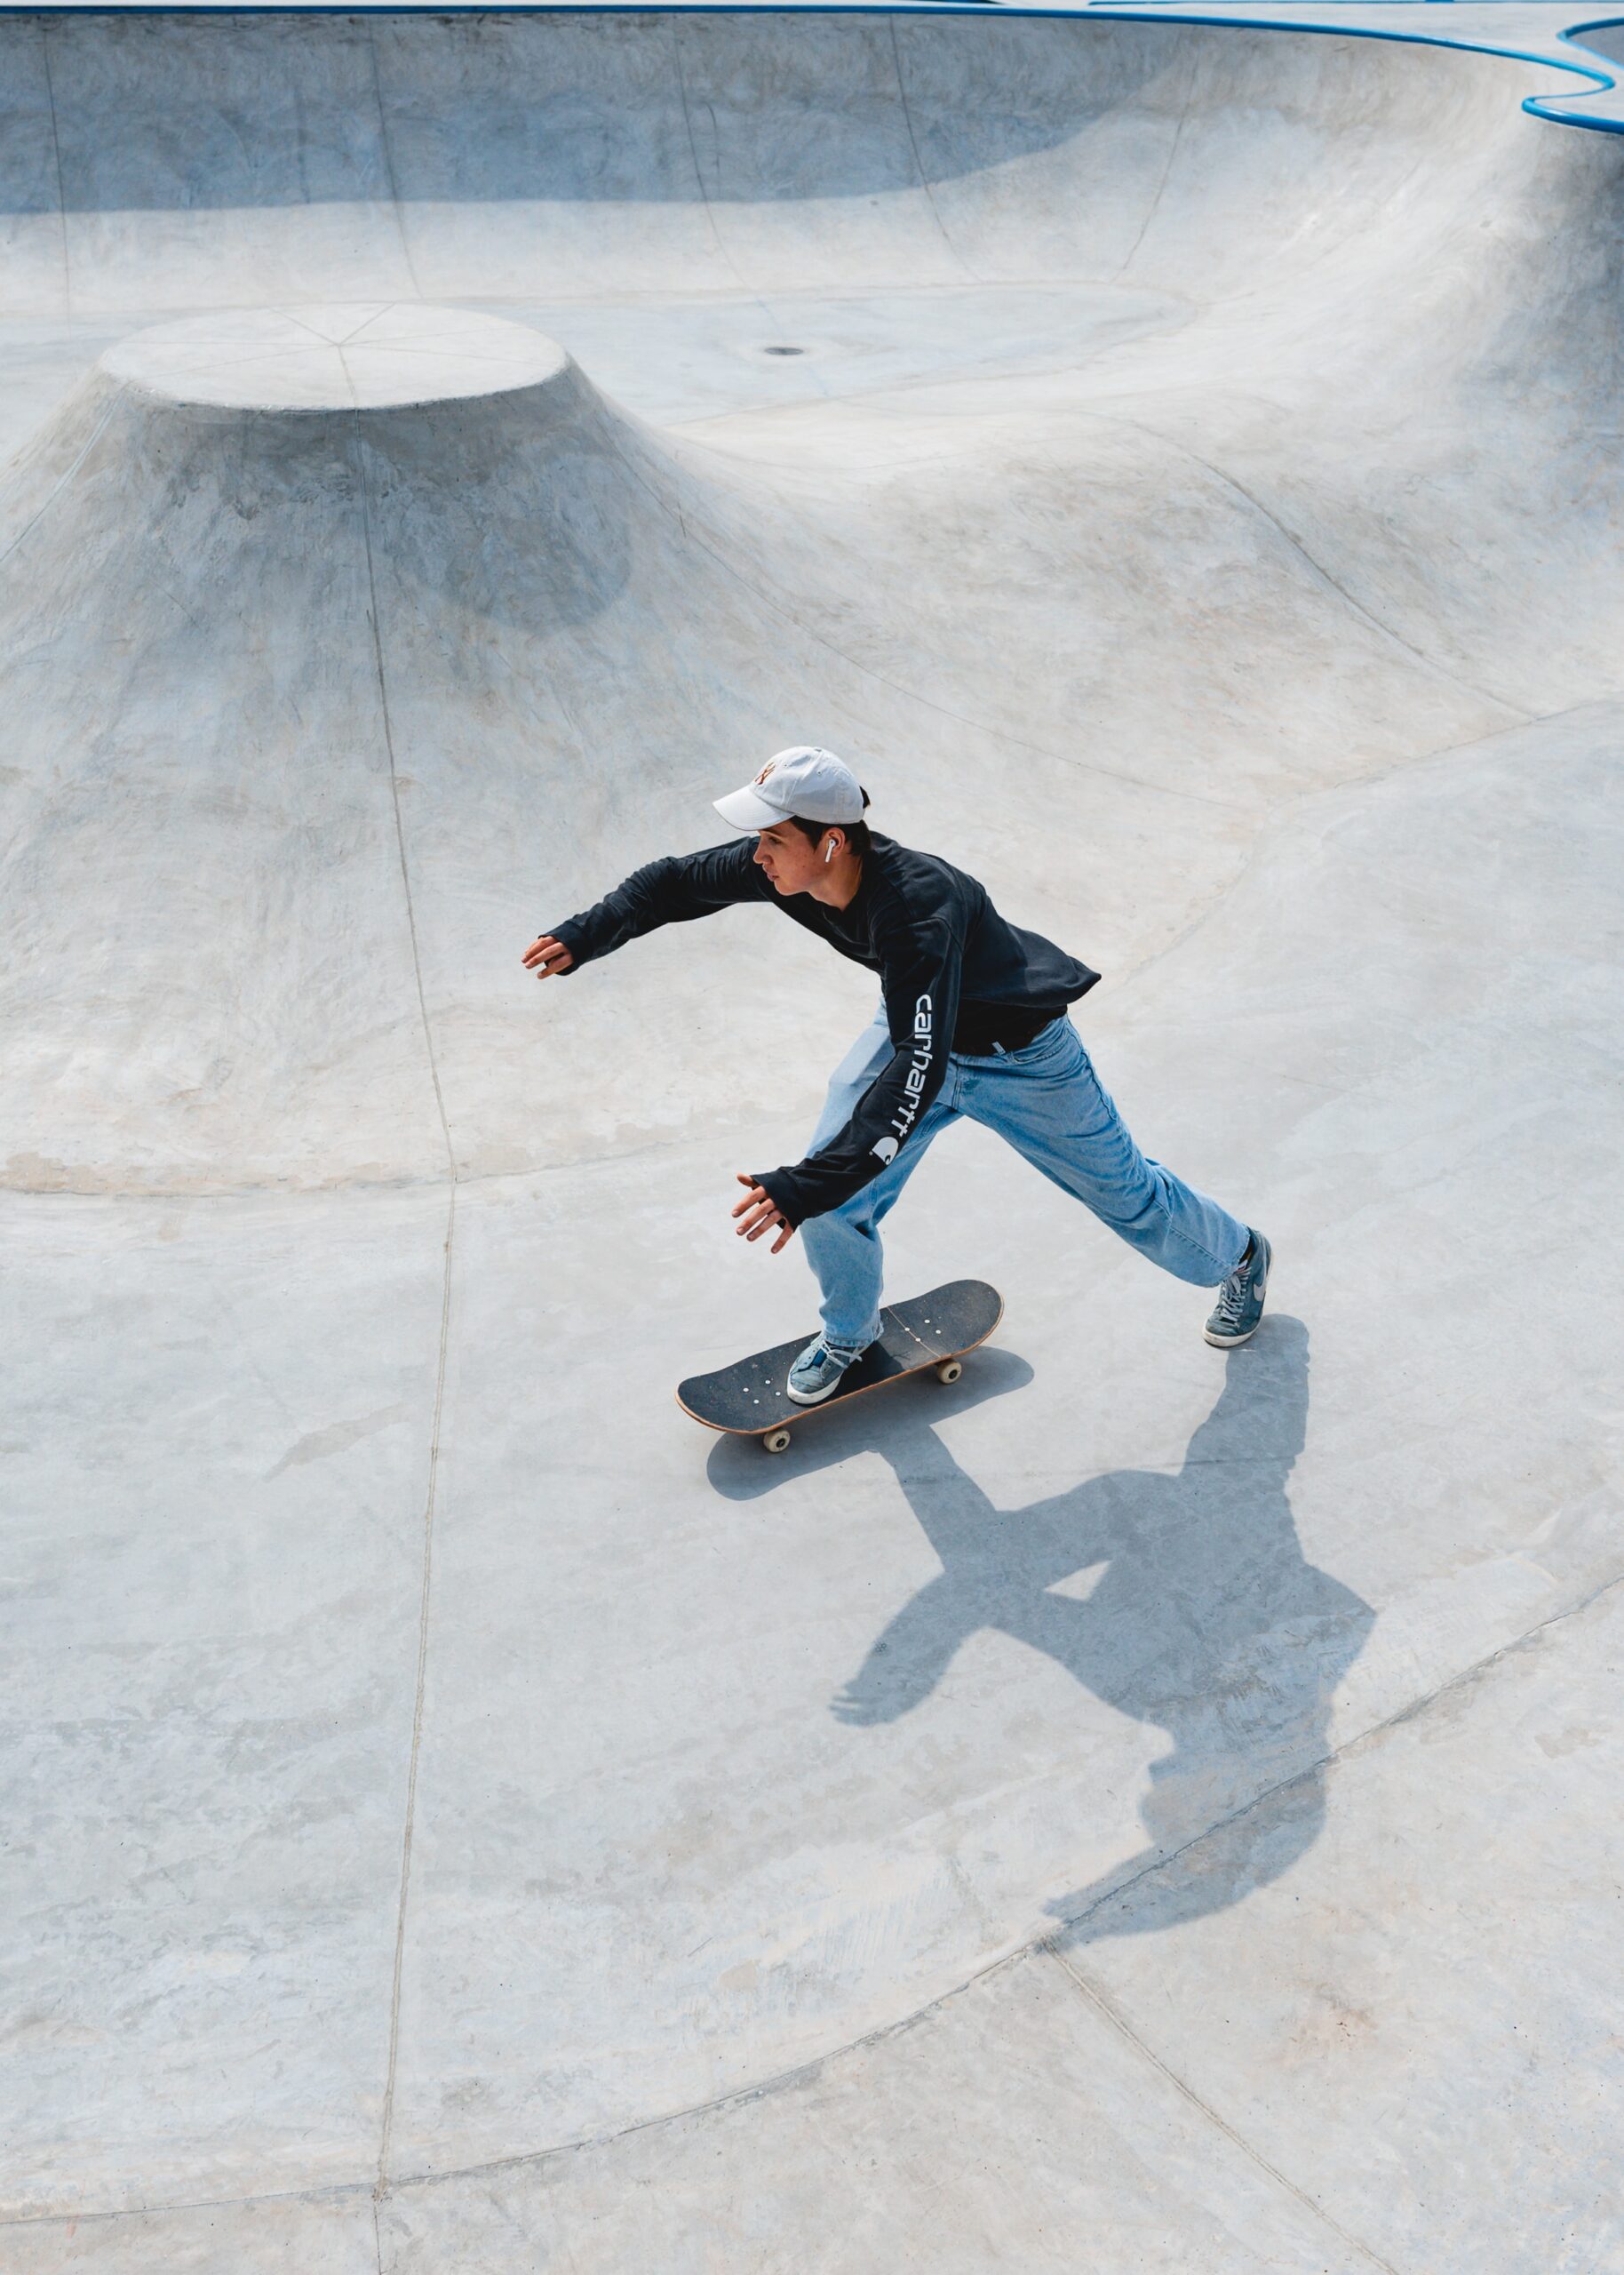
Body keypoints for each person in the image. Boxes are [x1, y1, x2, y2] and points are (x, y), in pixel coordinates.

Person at [522, 747, 1270, 1404]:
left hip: (1020, 1057)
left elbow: (922, 1066)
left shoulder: (917, 909)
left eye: (774, 839)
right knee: (829, 1185)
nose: (757, 856)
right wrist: (583, 936)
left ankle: (1238, 1254)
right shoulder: (785, 865)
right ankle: (850, 1333)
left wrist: (808, 1184)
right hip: (916, 1027)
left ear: (833, 841)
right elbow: (670, 884)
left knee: (1127, 1194)